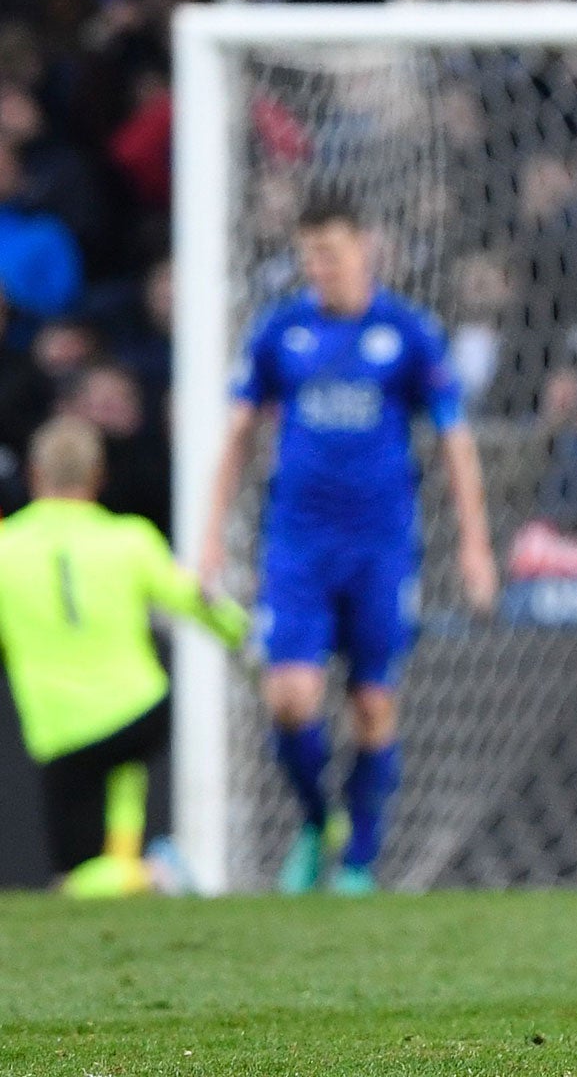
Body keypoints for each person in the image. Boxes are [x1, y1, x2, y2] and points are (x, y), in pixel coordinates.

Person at [198, 190, 497, 895]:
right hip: (298, 544)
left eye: (329, 252)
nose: (319, 267)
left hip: (380, 547)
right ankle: (315, 821)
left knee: (370, 705)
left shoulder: (409, 333)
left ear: (366, 247)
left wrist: (475, 545)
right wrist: (210, 537)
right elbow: (239, 433)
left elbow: (456, 441)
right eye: (308, 255)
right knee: (291, 696)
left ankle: (359, 860)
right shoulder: (281, 334)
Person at [0, 417, 248, 897]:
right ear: (97, 477)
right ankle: (134, 866)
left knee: (73, 878)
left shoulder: (7, 550)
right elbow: (196, 599)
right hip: (141, 710)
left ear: (33, 475)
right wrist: (247, 636)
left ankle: (159, 874)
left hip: (66, 728)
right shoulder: (130, 539)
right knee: (120, 782)